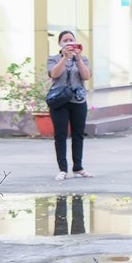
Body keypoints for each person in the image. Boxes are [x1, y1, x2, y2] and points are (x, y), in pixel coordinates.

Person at [45, 31, 92, 181]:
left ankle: (78, 167)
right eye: (65, 40)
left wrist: (78, 59)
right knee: (60, 135)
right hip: (59, 101)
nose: (69, 42)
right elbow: (54, 74)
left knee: (78, 134)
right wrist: (65, 57)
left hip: (78, 101)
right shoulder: (53, 59)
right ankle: (62, 169)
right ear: (60, 43)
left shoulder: (83, 59)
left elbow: (86, 76)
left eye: (71, 39)